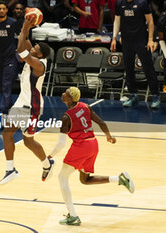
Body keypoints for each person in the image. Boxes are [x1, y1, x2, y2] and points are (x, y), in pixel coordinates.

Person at [48, 87, 134, 225]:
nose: (63, 94)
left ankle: (73, 216)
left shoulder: (66, 117)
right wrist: (109, 137)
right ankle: (119, 179)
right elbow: (102, 123)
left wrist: (49, 156)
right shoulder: (85, 107)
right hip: (93, 145)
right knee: (85, 180)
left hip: (81, 147)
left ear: (70, 98)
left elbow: (61, 144)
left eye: (66, 93)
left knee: (62, 177)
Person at [0, 16, 53, 185]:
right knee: (27, 141)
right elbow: (27, 42)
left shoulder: (38, 64)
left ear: (40, 54)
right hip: (23, 103)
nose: (32, 48)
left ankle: (10, 169)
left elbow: (21, 50)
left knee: (8, 133)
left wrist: (23, 27)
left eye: (35, 48)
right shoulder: (36, 56)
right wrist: (27, 27)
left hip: (30, 106)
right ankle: (46, 164)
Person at [111, 0, 160, 108]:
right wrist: (114, 38)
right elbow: (117, 20)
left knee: (148, 68)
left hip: (141, 40)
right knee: (128, 69)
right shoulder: (119, 3)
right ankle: (133, 95)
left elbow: (150, 21)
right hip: (127, 41)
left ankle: (155, 96)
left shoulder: (142, 3)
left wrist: (150, 39)